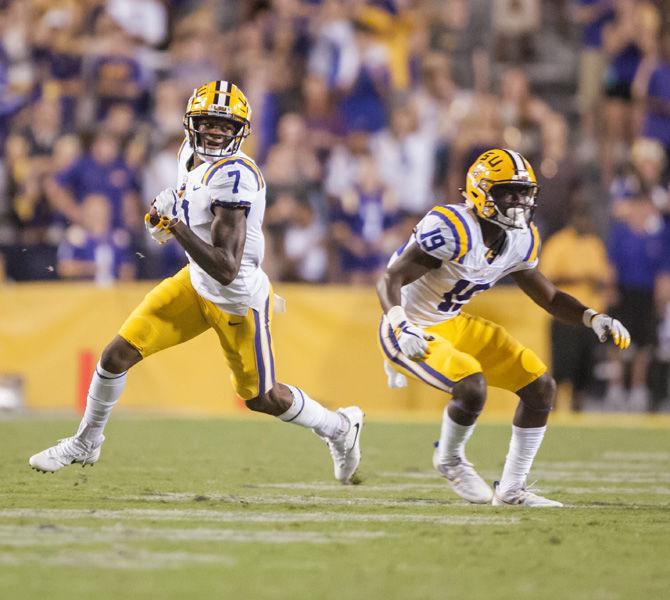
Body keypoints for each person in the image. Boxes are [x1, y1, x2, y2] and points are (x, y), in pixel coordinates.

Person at [29, 80, 364, 483]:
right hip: (195, 281)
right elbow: (186, 214)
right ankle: (86, 440)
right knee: (115, 356)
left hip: (236, 297)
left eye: (226, 126)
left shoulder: (237, 177)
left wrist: (174, 226)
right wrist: (161, 218)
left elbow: (226, 265)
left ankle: (340, 428)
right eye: (209, 122)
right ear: (192, 123)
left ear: (241, 130)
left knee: (262, 398)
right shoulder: (188, 154)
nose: (217, 132)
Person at [376, 148, 630, 507]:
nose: (519, 201)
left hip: (453, 322)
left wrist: (593, 317)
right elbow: (391, 278)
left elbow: (550, 296)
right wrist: (401, 326)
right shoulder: (453, 228)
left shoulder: (520, 239)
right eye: (509, 192)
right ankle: (449, 459)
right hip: (410, 326)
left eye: (524, 193)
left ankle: (511, 490)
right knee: (472, 386)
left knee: (540, 387)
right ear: (481, 192)